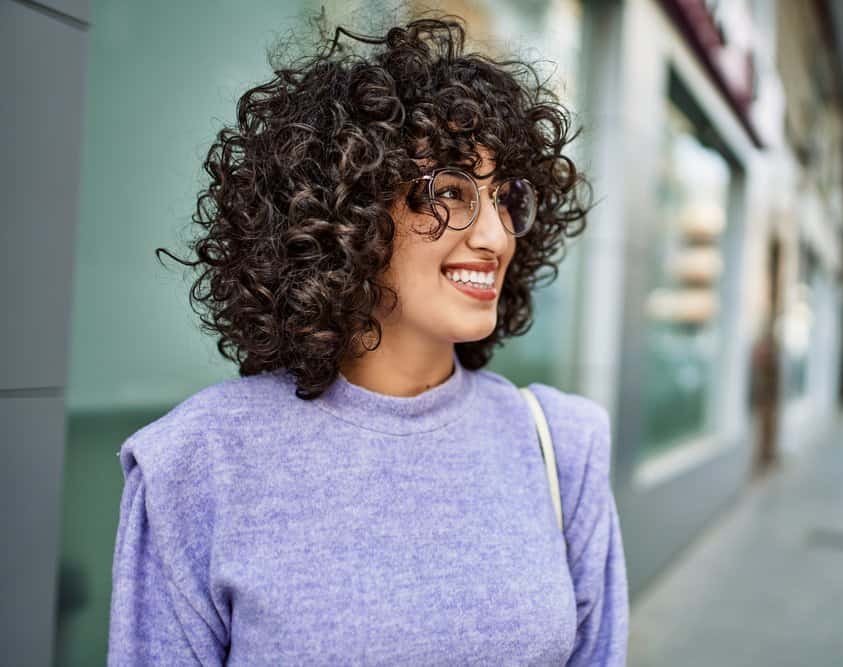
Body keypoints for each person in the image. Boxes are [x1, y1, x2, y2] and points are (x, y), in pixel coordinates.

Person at [107, 14, 628, 665]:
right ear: (348, 210)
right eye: (451, 192)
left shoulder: (561, 447)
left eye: (506, 197)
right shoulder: (199, 462)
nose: (495, 236)